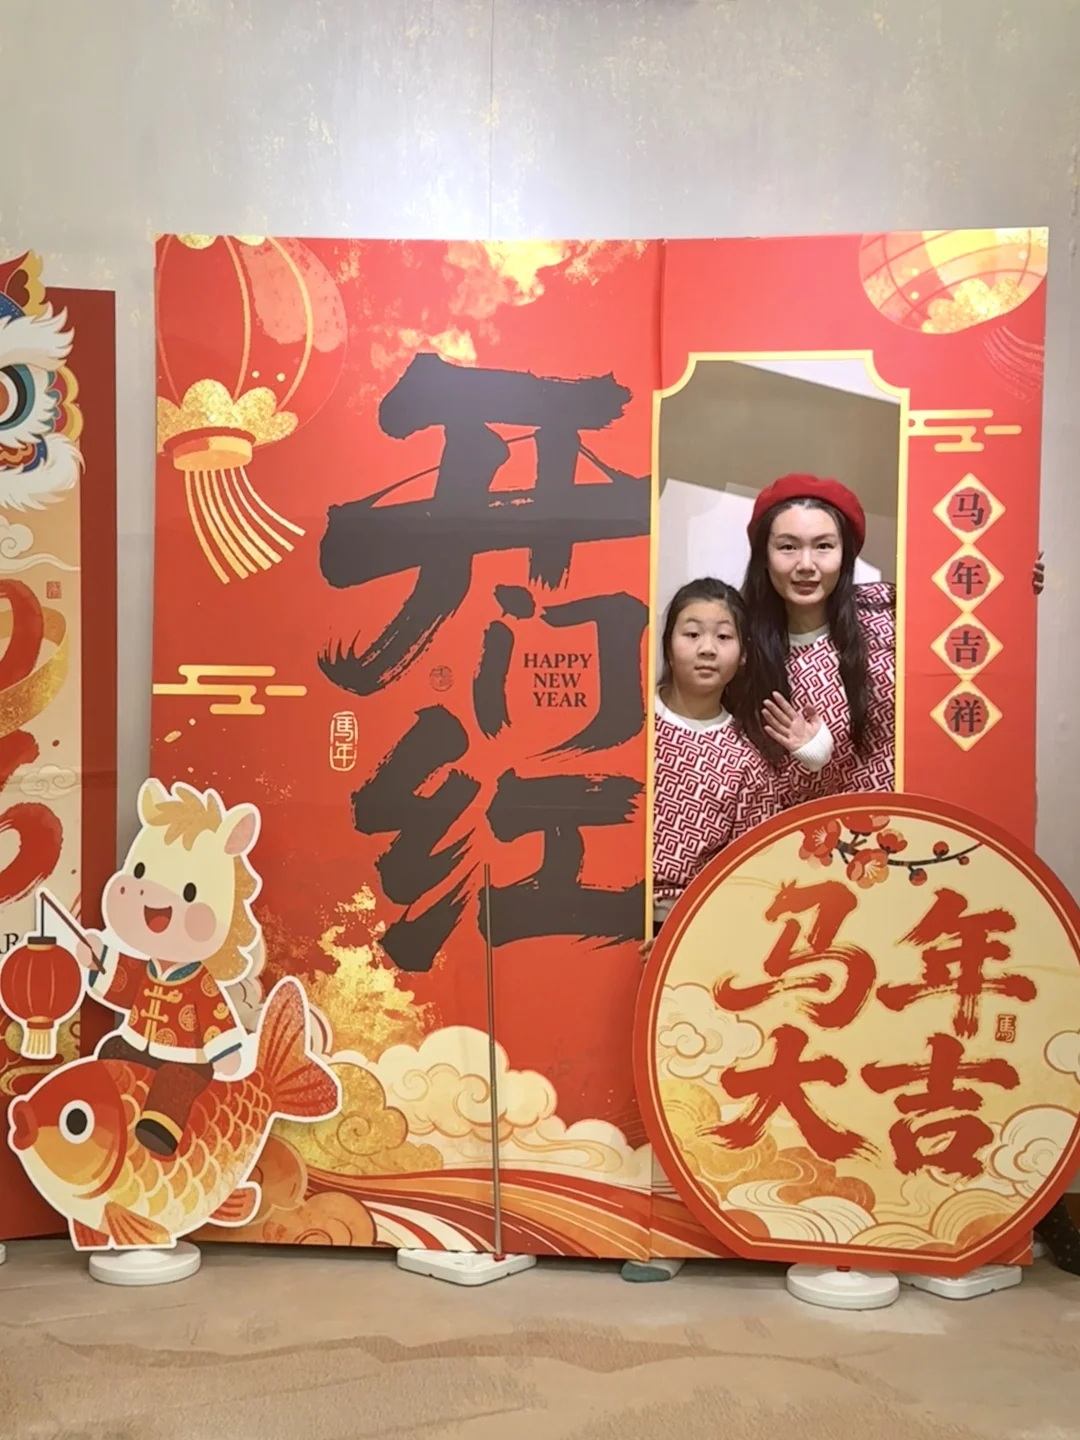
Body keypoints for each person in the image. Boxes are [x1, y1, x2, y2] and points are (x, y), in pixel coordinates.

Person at [624, 577, 833, 1284]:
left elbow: (747, 874)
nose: (706, 648)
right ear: (667, 641)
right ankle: (606, 1216)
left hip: (687, 934)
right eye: (691, 632)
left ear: (744, 652)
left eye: (723, 635)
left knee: (681, 1081)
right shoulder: (629, 723)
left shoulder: (747, 755)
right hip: (603, 921)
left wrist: (686, 937)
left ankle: (673, 1229)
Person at [739, 473, 894, 802]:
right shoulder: (741, 653)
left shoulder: (889, 612)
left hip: (918, 821)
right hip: (811, 829)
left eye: (824, 546)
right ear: (764, 556)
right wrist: (813, 757)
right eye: (788, 547)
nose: (806, 565)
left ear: (845, 554)